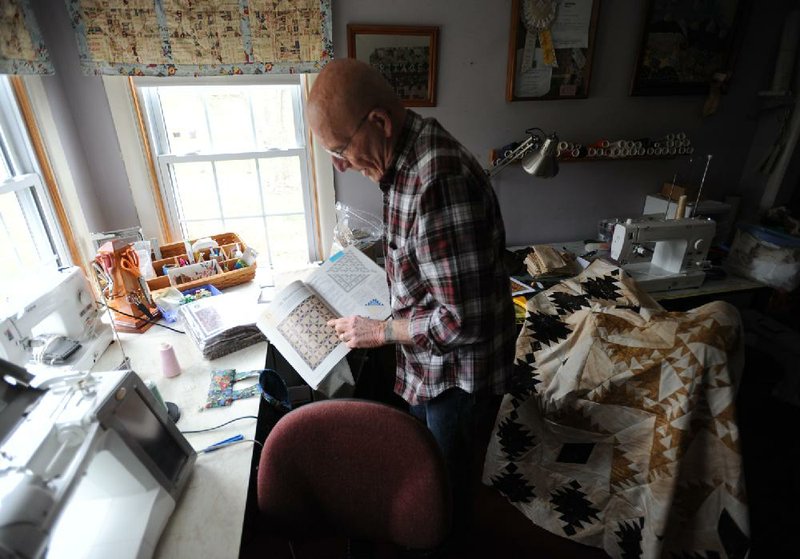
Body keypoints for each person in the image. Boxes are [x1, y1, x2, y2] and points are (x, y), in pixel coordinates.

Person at [307, 58, 516, 537]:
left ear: (378, 122)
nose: (339, 164)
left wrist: (378, 331)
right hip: (428, 369)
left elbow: (462, 322)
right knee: (426, 479)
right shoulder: (399, 162)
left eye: (340, 149)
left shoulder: (437, 179)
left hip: (459, 381)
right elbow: (423, 262)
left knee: (444, 497)